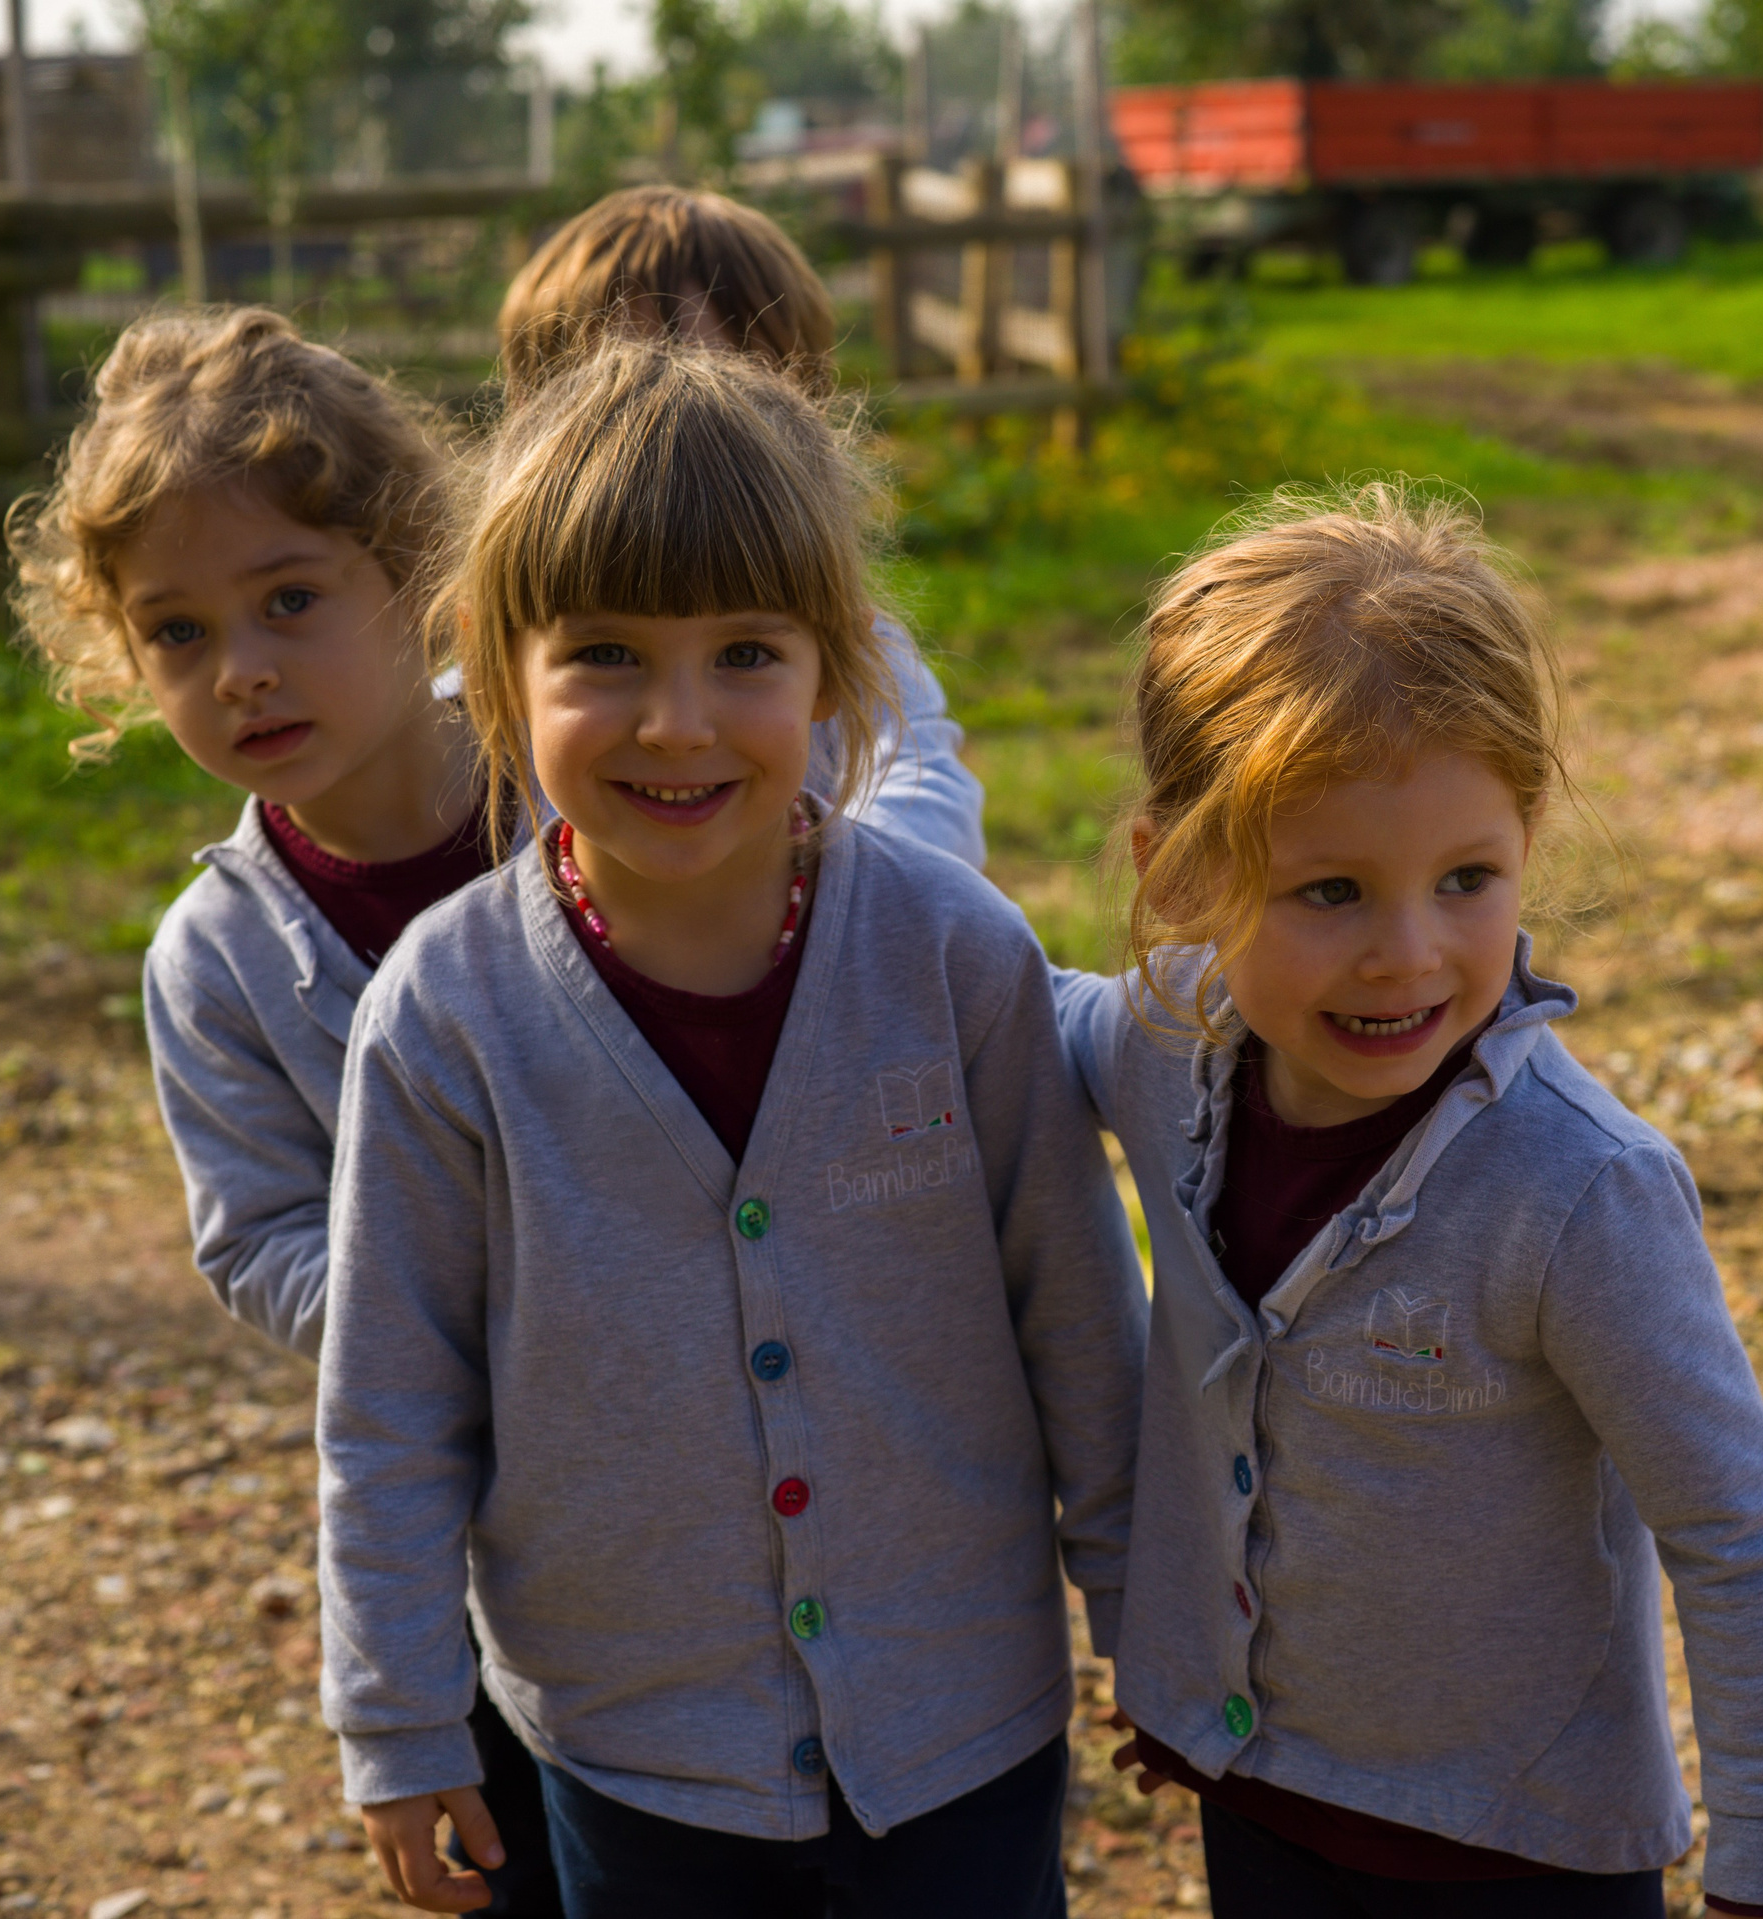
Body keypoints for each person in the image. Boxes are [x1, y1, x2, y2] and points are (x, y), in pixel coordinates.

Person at [315, 337, 1145, 1918]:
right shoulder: (442, 1014)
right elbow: (391, 1408)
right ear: (499, 676)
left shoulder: (956, 956)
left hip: (959, 1716)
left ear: (838, 670)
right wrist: (402, 1717)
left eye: (745, 653)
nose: (677, 723)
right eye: (606, 655)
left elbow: (1084, 1326)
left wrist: (1139, 1612)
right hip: (637, 1744)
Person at [1053, 485, 1763, 1918]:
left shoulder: (1580, 1192)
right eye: (1332, 891)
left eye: (1468, 878)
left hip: (1526, 1846)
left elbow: (1736, 1528)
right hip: (1265, 1798)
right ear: (1180, 871)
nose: (1407, 953)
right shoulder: (1163, 1052)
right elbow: (996, 1006)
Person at [7, 308, 570, 1917]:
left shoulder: (576, 803)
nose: (240, 666)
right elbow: (252, 1233)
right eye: (175, 633)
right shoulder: (220, 960)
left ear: (415, 574)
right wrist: (430, 1301)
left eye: (289, 599)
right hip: (467, 1499)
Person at [496, 182, 985, 868]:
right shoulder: (505, 662)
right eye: (616, 393)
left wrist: (793, 904)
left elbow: (926, 796)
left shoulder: (840, 642)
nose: (681, 430)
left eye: (734, 393)